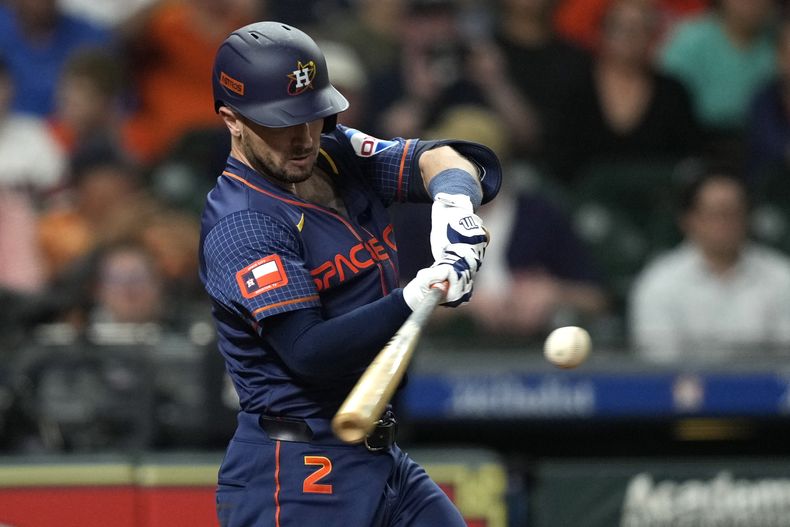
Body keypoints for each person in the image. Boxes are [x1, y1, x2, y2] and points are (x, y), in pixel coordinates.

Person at [199, 22, 500, 527]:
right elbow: (309, 351)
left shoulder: (333, 153)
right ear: (233, 120)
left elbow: (445, 157)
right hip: (297, 472)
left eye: (313, 115)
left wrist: (454, 205)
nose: (302, 138)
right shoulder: (243, 220)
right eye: (281, 122)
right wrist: (418, 294)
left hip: (380, 457)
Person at [629, 169, 790, 363]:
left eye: (733, 213)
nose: (725, 224)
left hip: (764, 390)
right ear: (689, 220)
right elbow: (658, 365)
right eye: (715, 214)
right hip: (687, 390)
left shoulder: (782, 276)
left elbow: (785, 360)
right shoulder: (659, 282)